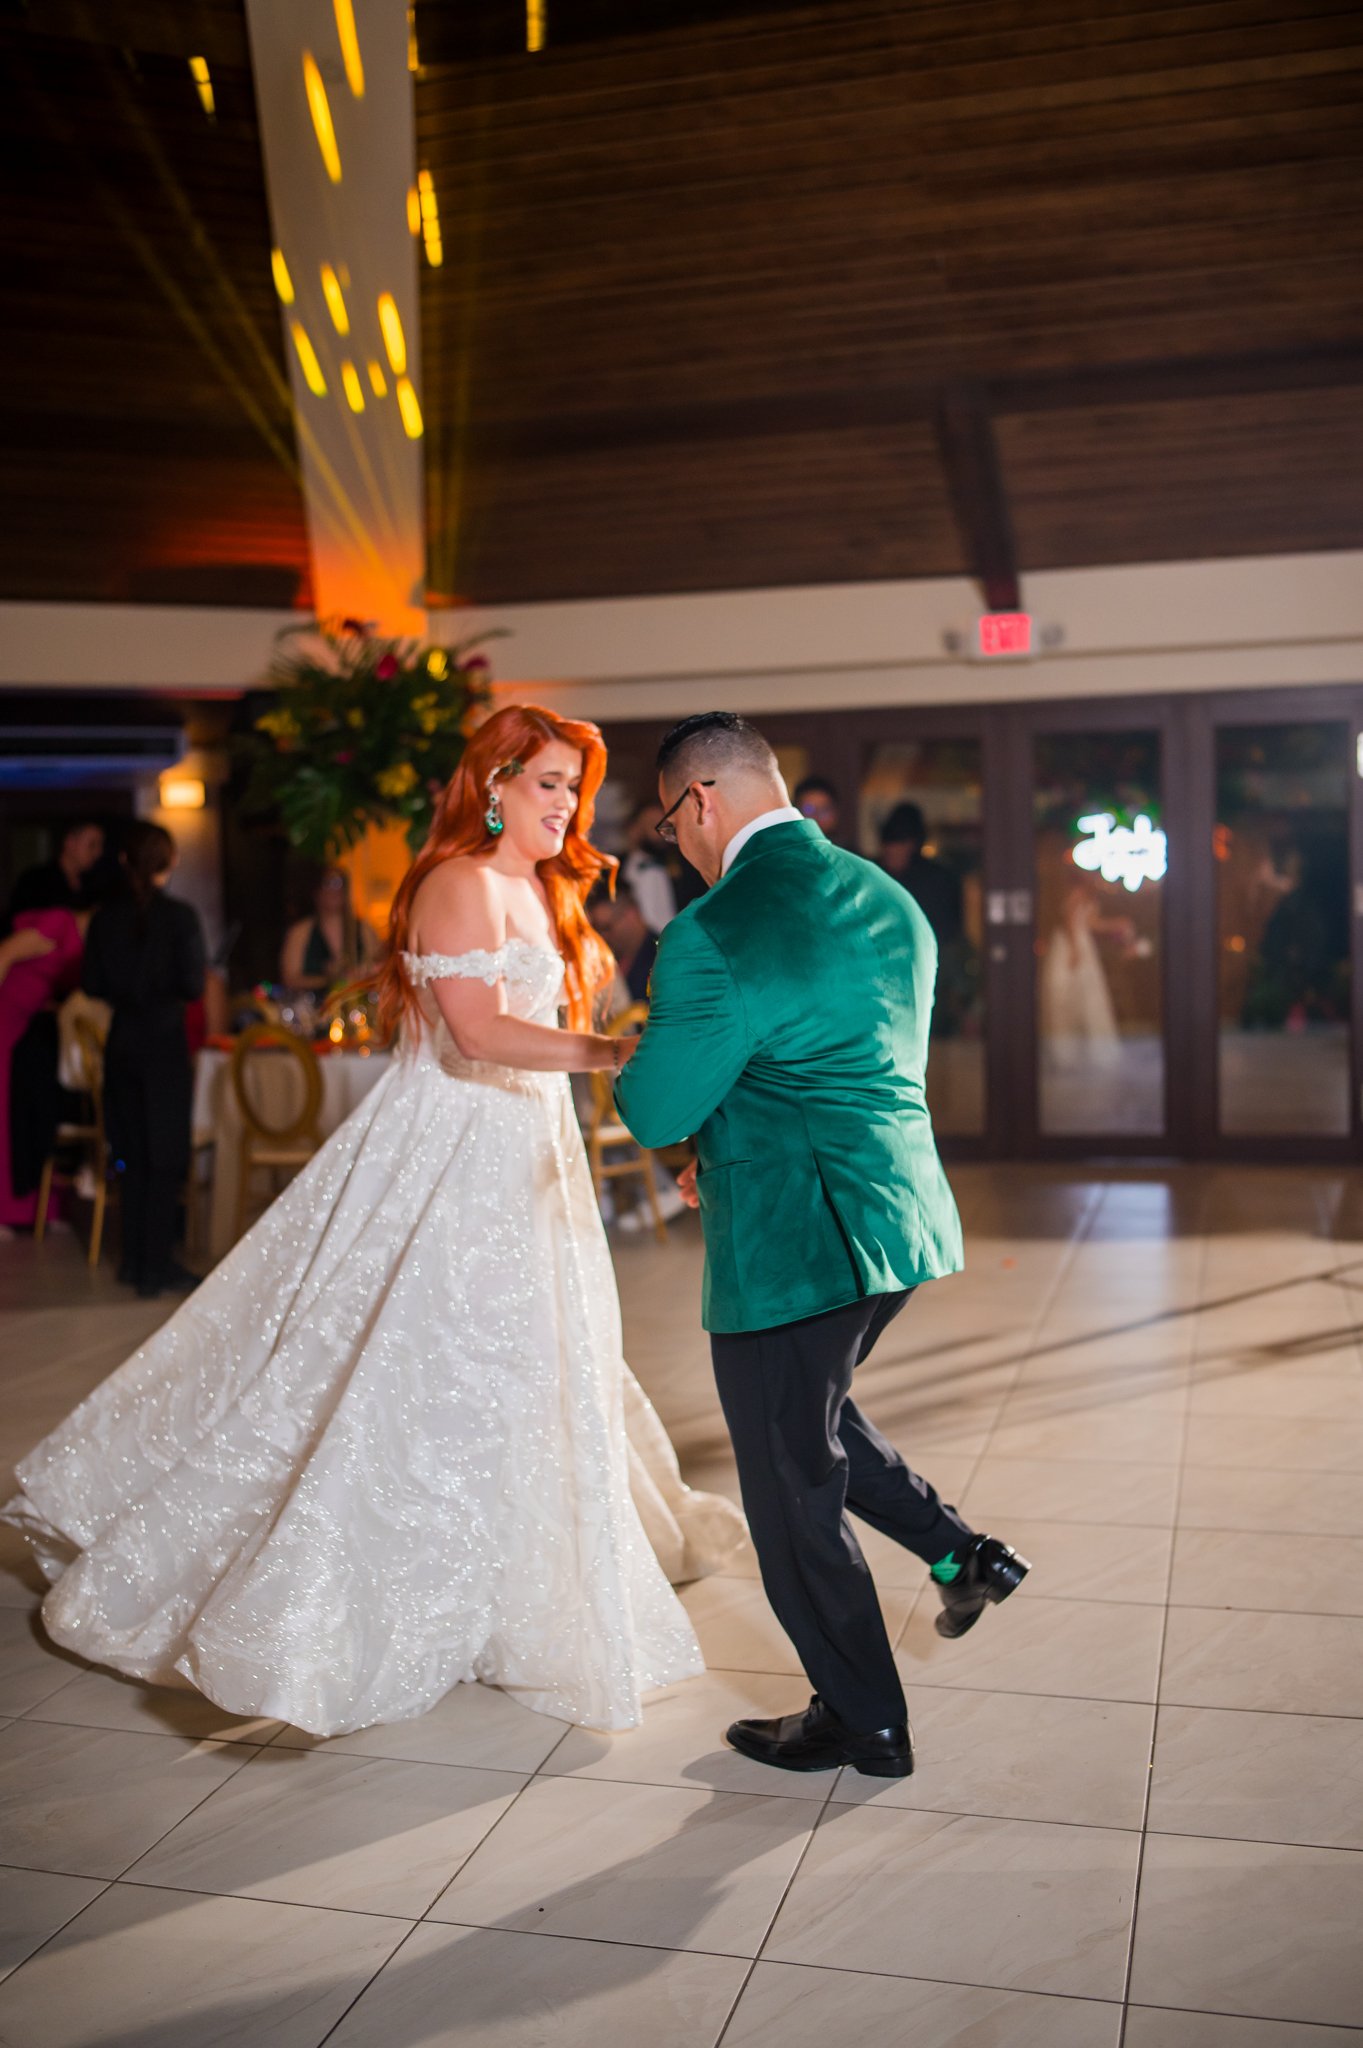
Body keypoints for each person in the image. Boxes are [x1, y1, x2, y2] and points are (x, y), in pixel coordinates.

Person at [3, 706, 742, 1739]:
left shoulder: (541, 887)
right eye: (546, 785)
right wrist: (614, 1054)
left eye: (573, 788)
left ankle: (512, 1580)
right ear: (492, 786)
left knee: (535, 1357)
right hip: (450, 1152)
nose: (564, 805)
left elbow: (567, 1013)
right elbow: (477, 1031)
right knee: (415, 1357)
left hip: (530, 1149)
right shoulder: (454, 883)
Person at [615, 711, 1029, 1780]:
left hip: (792, 1241)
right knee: (817, 1416)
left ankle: (863, 1718)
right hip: (897, 1217)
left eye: (671, 824)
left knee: (790, 1479)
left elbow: (657, 1105)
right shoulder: (890, 899)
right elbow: (831, 1051)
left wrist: (651, 1066)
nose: (678, 846)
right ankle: (960, 1552)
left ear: (700, 800)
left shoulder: (713, 930)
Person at [81, 823, 206, 1297]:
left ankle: (135, 1261)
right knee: (165, 1156)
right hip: (163, 1043)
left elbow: (92, 983)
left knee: (130, 1153)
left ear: (124, 862)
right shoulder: (180, 917)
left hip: (123, 1042)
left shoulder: (104, 919)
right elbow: (194, 985)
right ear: (168, 862)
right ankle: (156, 1265)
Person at [0, 908, 87, 1232]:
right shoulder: (61, 924)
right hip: (5, 1019)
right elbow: (5, 953)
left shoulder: (87, 947)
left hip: (27, 1027)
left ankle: (36, 1212)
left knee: (26, 1119)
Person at [278, 865, 381, 989]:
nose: (335, 889)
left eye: (340, 883)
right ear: (316, 890)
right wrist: (330, 980)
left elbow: (378, 968)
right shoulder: (301, 932)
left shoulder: (363, 929)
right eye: (328, 883)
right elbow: (290, 978)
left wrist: (362, 974)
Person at [878, 802, 963, 948]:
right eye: (890, 845)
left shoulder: (938, 880)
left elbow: (947, 930)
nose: (894, 851)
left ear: (913, 845)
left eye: (901, 843)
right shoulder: (877, 878)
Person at [2, 820, 105, 937]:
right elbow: (20, 925)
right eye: (92, 845)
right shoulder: (36, 880)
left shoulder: (95, 883)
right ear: (70, 842)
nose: (98, 852)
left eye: (100, 846)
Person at [589, 882, 658, 1004]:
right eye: (597, 930)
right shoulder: (613, 960)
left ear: (630, 914)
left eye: (606, 927)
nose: (602, 937)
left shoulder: (660, 958)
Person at [620, 801, 678, 932]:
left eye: (666, 826)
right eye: (653, 825)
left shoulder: (669, 869)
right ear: (633, 829)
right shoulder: (619, 868)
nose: (662, 833)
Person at [793, 774, 841, 841]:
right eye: (808, 810)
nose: (816, 817)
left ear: (836, 813)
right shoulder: (784, 850)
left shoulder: (849, 851)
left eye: (824, 811)